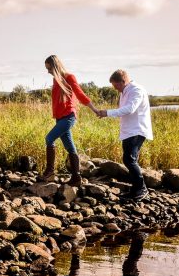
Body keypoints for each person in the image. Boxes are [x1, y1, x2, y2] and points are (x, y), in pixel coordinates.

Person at [41, 55, 99, 187]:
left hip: (68, 117)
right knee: (70, 147)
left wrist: (94, 109)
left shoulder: (69, 77)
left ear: (55, 66)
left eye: (49, 68)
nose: (48, 71)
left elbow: (80, 94)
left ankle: (50, 172)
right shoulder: (56, 80)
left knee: (49, 138)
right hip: (60, 118)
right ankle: (76, 177)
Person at [96, 70, 153, 201]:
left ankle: (141, 189)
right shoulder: (125, 91)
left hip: (137, 130)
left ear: (123, 81)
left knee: (129, 160)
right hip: (129, 131)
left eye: (116, 86)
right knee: (129, 160)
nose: (115, 89)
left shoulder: (136, 90)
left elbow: (130, 109)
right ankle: (136, 189)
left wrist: (107, 113)